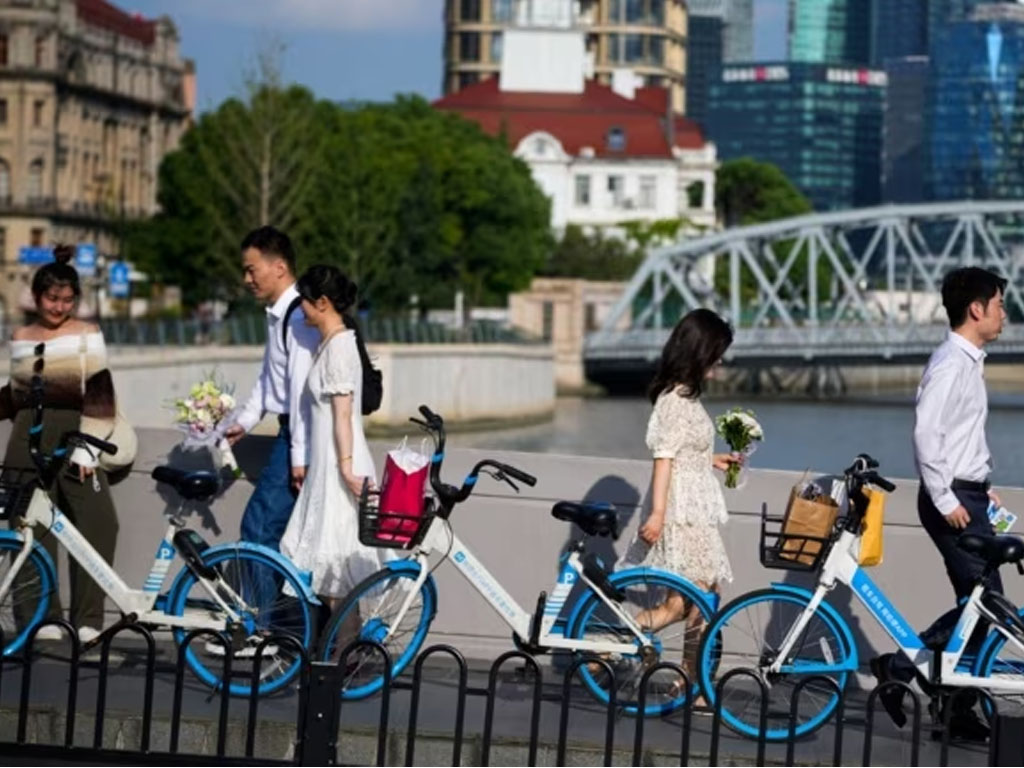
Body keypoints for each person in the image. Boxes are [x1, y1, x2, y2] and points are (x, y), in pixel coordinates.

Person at [872, 266, 1007, 741]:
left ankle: (954, 711)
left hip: (968, 493)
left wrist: (979, 484)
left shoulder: (968, 361)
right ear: (977, 309)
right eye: (999, 304)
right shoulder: (951, 362)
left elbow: (956, 435)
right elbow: (926, 434)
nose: (1004, 314)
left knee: (978, 607)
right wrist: (949, 495)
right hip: (950, 499)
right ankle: (901, 668)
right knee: (988, 605)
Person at [0, 245, 121, 642]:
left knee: (100, 523)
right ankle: (39, 619)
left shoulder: (87, 334)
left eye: (68, 300)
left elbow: (101, 392)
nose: (59, 307)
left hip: (75, 436)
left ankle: (88, 620)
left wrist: (88, 449)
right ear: (36, 297)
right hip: (25, 438)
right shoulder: (20, 336)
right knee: (29, 528)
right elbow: (17, 394)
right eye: (52, 299)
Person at [618, 308, 742, 693]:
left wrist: (713, 460)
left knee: (681, 604)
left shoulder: (686, 397)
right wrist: (657, 514)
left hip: (694, 508)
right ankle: (693, 682)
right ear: (700, 350)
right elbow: (663, 459)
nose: (720, 360)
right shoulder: (674, 400)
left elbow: (683, 453)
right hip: (682, 513)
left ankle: (611, 646)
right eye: (716, 352)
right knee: (704, 596)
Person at [279, 265, 381, 605]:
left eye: (304, 302)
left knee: (339, 566)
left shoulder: (338, 347)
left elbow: (342, 415)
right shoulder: (332, 343)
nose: (301, 309)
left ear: (322, 302)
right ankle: (341, 651)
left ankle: (344, 651)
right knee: (333, 572)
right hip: (331, 462)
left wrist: (347, 470)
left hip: (339, 464)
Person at [225, 226, 318, 562]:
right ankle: (280, 614)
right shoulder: (281, 314)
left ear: (279, 267)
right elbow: (270, 377)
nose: (247, 279)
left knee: (260, 528)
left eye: (252, 269)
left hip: (298, 433)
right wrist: (245, 421)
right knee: (279, 534)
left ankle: (263, 616)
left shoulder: (297, 316)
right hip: (292, 432)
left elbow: (301, 391)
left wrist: (299, 455)